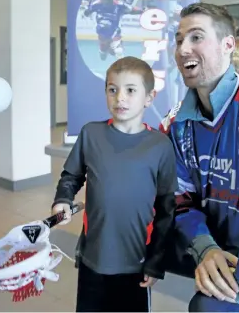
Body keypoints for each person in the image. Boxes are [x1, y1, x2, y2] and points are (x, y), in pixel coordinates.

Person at [160, 2, 239, 312]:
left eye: (196, 37)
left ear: (228, 44)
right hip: (224, 250)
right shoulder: (176, 125)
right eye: (179, 40)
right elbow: (180, 199)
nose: (182, 49)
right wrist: (205, 248)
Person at [52, 56, 178, 312]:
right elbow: (71, 176)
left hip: (136, 262)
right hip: (93, 260)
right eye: (113, 89)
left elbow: (167, 209)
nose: (120, 97)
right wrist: (62, 199)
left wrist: (155, 262)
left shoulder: (160, 146)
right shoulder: (91, 134)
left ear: (149, 97)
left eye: (131, 90)